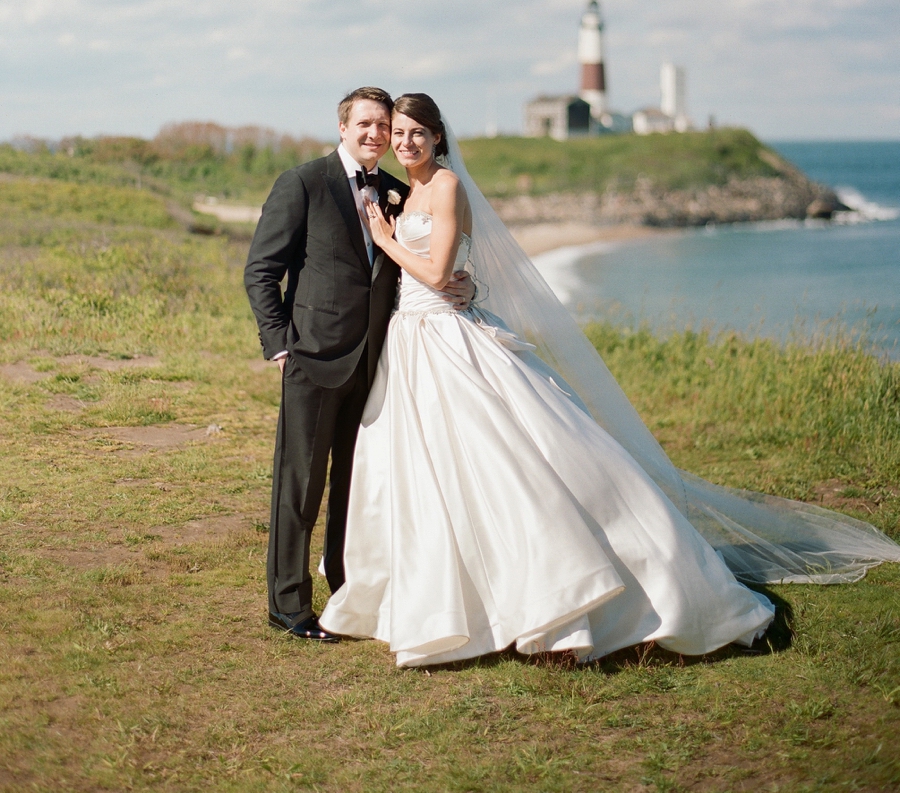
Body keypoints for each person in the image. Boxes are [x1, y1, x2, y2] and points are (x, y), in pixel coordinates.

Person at [320, 93, 900, 667]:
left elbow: (440, 270)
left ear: (438, 138)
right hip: (413, 342)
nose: (404, 141)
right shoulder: (404, 191)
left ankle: (568, 598)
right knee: (428, 470)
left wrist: (389, 241)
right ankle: (442, 594)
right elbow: (438, 274)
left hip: (448, 337)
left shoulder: (443, 186)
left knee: (508, 464)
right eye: (398, 132)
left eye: (417, 132)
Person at [243, 87, 474, 641]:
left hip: (378, 362)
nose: (377, 135)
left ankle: (347, 593)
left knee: (356, 485)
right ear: (343, 127)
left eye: (384, 126)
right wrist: (279, 344)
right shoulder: (303, 183)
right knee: (299, 485)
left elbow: (419, 263)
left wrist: (457, 285)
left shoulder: (398, 192)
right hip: (313, 358)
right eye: (367, 124)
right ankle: (289, 605)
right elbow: (260, 271)